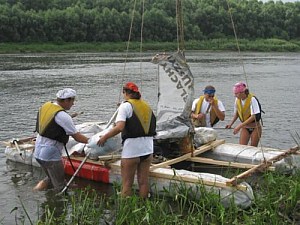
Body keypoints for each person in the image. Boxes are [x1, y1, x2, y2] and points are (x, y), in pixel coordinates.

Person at [97, 82, 156, 199]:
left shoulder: (125, 106)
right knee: (143, 182)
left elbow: (119, 127)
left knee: (127, 184)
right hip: (148, 149)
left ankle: (126, 211)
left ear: (125, 93)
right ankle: (143, 206)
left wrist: (105, 137)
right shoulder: (146, 105)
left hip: (132, 150)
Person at [33, 88, 89, 192]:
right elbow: (77, 137)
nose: (73, 104)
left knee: (50, 178)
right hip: (51, 153)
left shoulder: (46, 106)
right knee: (60, 186)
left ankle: (34, 192)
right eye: (72, 101)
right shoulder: (63, 116)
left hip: (38, 151)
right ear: (66, 100)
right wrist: (93, 142)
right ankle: (58, 204)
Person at [225, 82, 263, 147]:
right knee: (241, 147)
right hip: (245, 127)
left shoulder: (252, 99)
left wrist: (239, 126)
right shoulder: (237, 100)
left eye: (236, 94)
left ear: (242, 92)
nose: (235, 95)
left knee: (253, 147)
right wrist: (230, 124)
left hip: (255, 127)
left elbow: (253, 116)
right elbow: (237, 113)